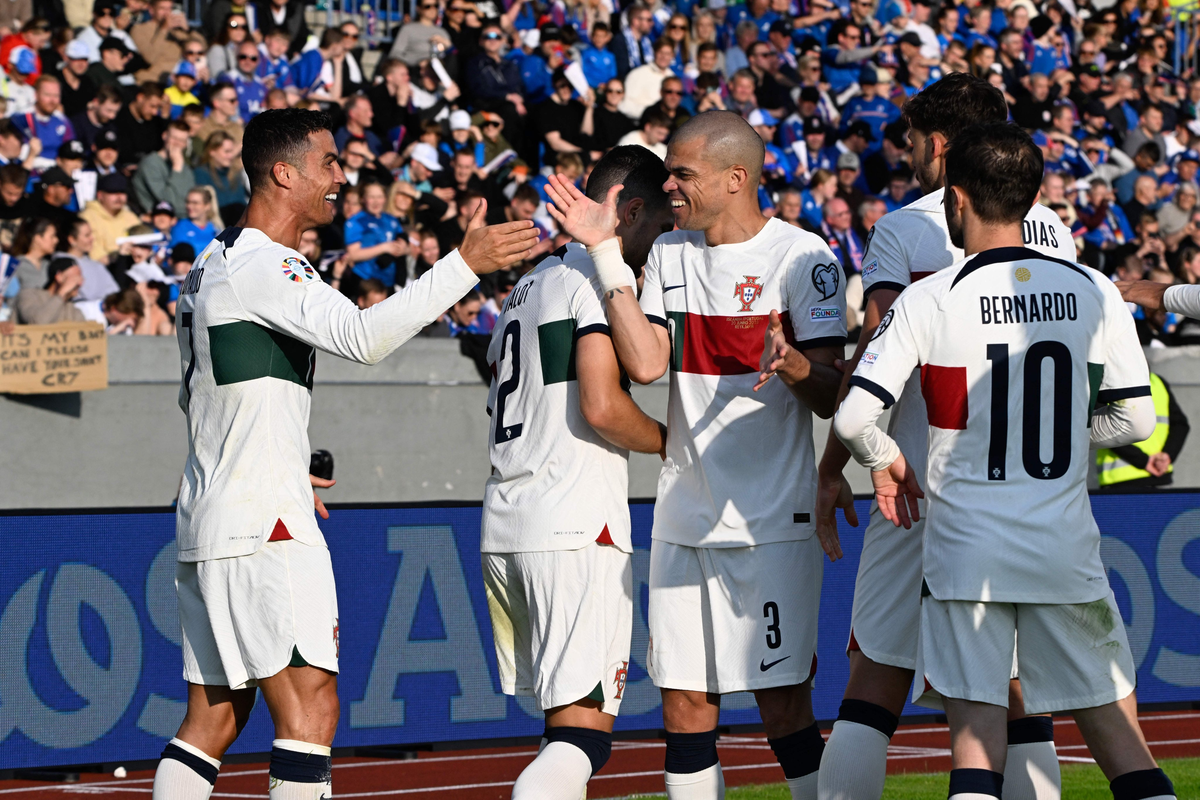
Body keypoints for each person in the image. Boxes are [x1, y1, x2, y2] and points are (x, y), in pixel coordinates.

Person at [150, 107, 539, 800]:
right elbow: (363, 337)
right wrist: (463, 266)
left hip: (213, 510)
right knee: (311, 710)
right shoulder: (266, 264)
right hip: (261, 520)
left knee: (212, 717)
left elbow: (209, 397)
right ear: (283, 172)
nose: (341, 176)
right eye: (329, 163)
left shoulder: (214, 259)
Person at [833, 120, 1177, 800]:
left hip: (965, 559)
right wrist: (1061, 434)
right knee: (1123, 750)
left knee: (975, 755)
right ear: (1030, 196)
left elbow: (852, 418)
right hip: (1065, 549)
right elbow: (1137, 419)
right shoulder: (1095, 289)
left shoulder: (929, 299)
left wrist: (888, 456)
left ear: (955, 199)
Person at [546, 109, 846, 800]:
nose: (672, 187)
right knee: (684, 710)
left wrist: (797, 367)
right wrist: (603, 253)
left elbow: (833, 393)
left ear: (736, 178)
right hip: (685, 519)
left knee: (783, 707)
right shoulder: (672, 257)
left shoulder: (803, 258)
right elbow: (648, 365)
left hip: (771, 525)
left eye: (684, 174)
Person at [814, 73, 1077, 800]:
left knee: (874, 682)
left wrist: (836, 461)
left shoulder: (903, 227)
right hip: (1020, 486)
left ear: (938, 145)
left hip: (917, 476)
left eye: (910, 146)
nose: (909, 162)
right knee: (1016, 690)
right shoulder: (1053, 228)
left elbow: (878, 350)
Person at [484, 145, 671, 800]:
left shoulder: (525, 287)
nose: (665, 237)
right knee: (583, 737)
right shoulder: (594, 281)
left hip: (510, 521)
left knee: (563, 727)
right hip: (574, 524)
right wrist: (672, 444)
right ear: (632, 210)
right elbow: (602, 405)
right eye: (661, 221)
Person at [133, 120, 196, 217]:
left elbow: (191, 198)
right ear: (164, 136)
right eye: (174, 138)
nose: (177, 144)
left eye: (182, 140)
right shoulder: (150, 163)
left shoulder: (184, 166)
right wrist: (177, 168)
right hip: (159, 220)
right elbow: (167, 202)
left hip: (184, 220)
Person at [14, 255, 85, 323]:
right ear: (59, 277)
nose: (80, 284)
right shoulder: (29, 295)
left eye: (80, 278)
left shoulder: (72, 309)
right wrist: (61, 294)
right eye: (75, 279)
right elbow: (36, 322)